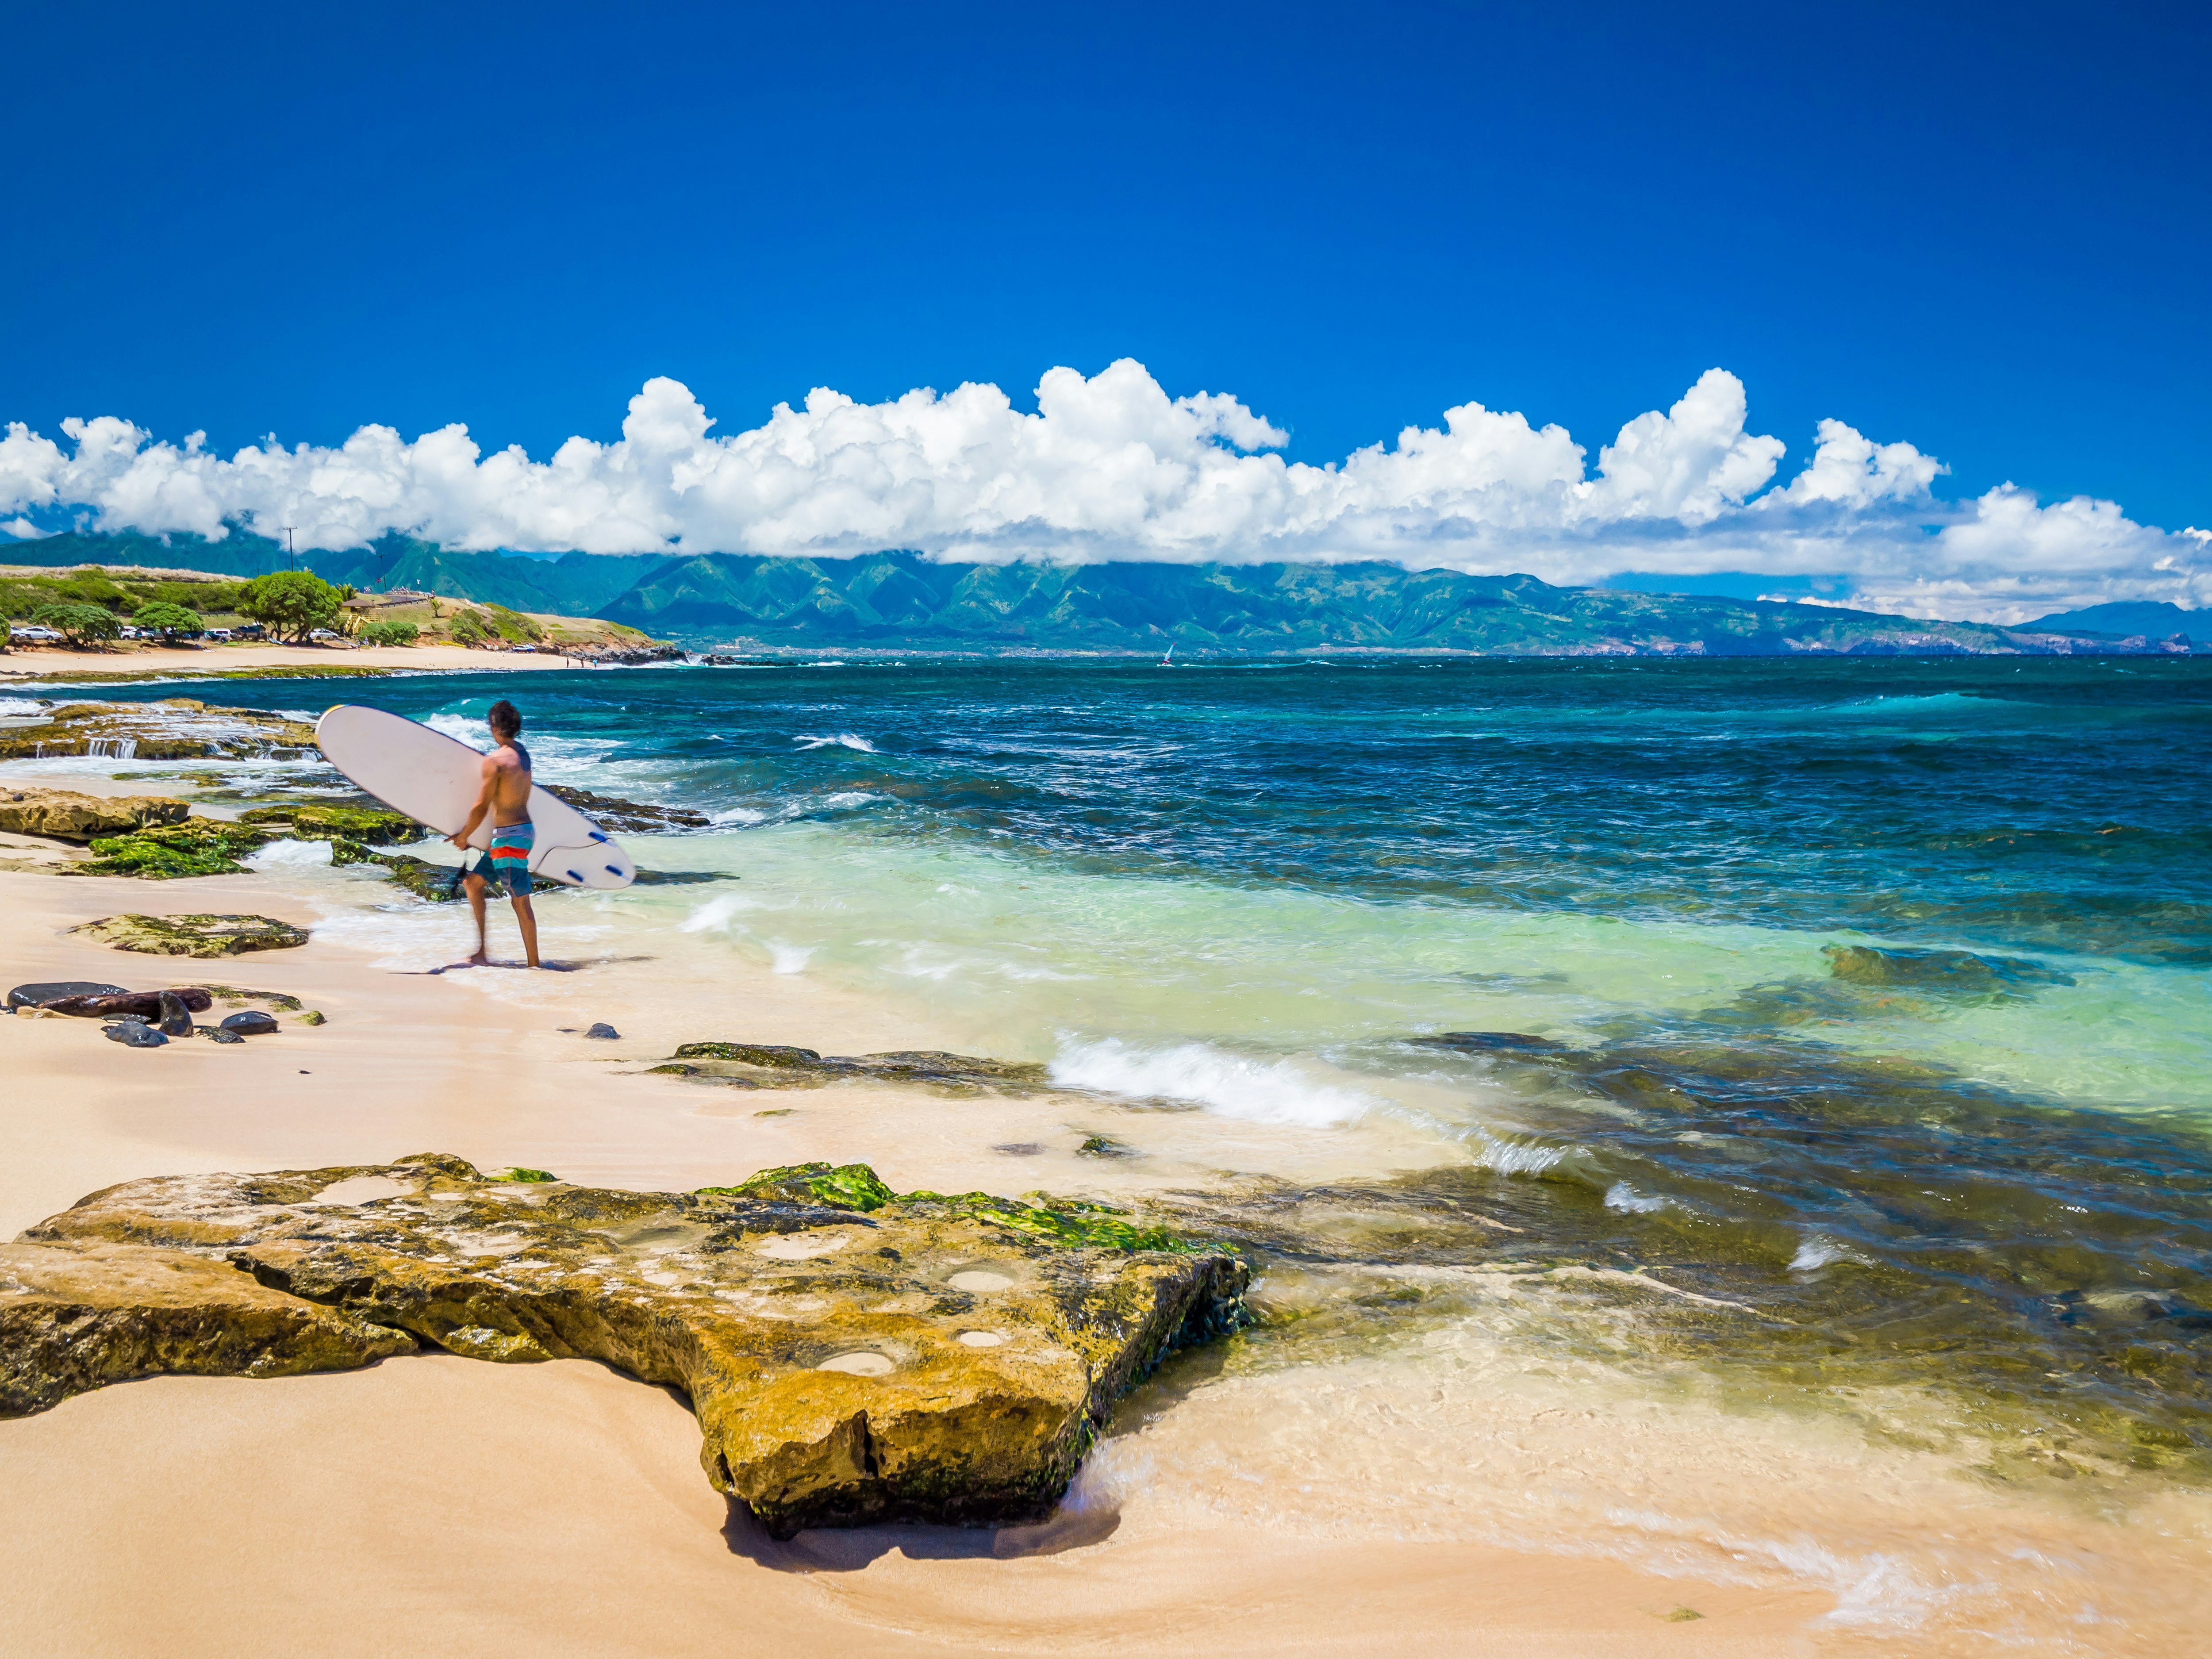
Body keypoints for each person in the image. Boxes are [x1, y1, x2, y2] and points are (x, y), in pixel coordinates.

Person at [451, 699, 541, 967]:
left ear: (494, 728)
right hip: (521, 832)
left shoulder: (495, 762)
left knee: (520, 902)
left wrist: (464, 836)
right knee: (472, 884)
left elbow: (482, 807)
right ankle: (482, 952)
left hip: (508, 839)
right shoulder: (522, 755)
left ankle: (535, 966)